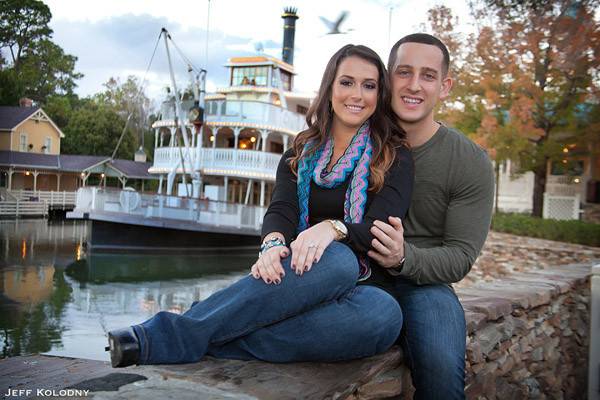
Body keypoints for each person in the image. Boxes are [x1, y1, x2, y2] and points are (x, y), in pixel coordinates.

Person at [106, 44, 414, 368]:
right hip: (300, 276)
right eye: (347, 82)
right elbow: (282, 209)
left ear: (379, 95)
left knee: (383, 314)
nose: (357, 94)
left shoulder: (394, 154)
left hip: (362, 287)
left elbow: (378, 229)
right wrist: (272, 244)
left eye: (369, 85)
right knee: (336, 261)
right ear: (330, 88)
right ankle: (169, 335)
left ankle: (212, 334)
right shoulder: (299, 152)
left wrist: (331, 229)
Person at [365, 34, 495, 399]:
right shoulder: (359, 142)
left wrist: (404, 257)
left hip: (424, 284)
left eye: (428, 75)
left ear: (445, 86)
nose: (414, 85)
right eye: (404, 72)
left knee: (441, 366)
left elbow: (460, 256)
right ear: (388, 79)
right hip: (356, 273)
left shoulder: (469, 162)